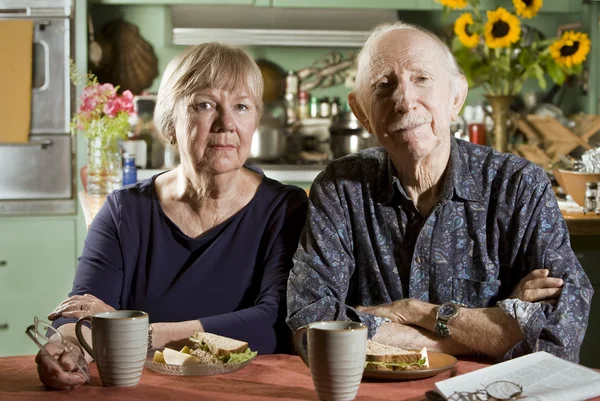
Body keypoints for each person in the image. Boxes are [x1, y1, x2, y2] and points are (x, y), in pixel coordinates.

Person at [286, 21, 593, 363]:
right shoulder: (340, 188)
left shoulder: (518, 185)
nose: (404, 100)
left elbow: (558, 334)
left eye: (422, 79)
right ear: (361, 113)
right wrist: (495, 328)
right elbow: (312, 327)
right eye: (383, 86)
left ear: (456, 97)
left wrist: (415, 312)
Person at [36, 43, 308, 390]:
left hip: (251, 392)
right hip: (144, 393)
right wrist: (67, 349)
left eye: (241, 106)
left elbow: (274, 323)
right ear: (169, 123)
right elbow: (85, 313)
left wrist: (136, 333)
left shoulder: (286, 209)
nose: (226, 123)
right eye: (205, 104)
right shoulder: (125, 211)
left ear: (254, 121)